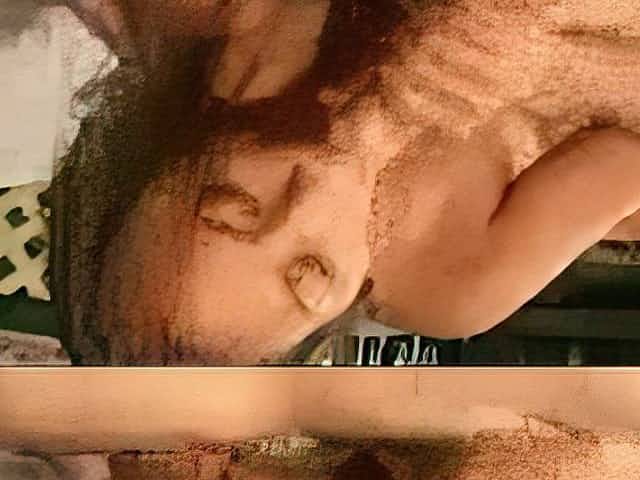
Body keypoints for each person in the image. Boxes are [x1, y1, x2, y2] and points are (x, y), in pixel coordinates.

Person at [47, 0, 640, 364]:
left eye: (235, 204)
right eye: (310, 271)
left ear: (183, 146)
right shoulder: (448, 291)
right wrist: (533, 60)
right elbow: (624, 165)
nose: (304, 204)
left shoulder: (253, 53)